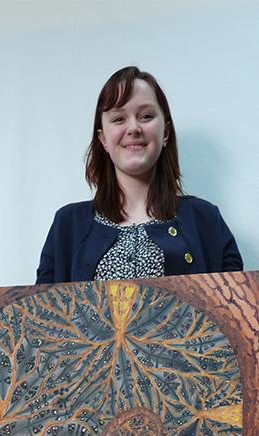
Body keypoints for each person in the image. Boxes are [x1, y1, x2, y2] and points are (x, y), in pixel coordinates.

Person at [36, 66, 243, 284]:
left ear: (165, 133)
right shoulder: (67, 225)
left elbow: (234, 310)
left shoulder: (206, 219)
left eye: (146, 116)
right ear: (103, 139)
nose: (133, 128)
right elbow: (43, 312)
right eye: (118, 119)